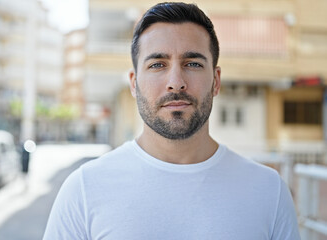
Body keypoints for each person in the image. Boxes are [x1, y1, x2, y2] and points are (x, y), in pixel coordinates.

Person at [42, 2, 300, 240]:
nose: (176, 81)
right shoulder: (84, 189)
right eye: (157, 64)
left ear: (216, 81)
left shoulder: (269, 191)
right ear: (134, 83)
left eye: (193, 63)